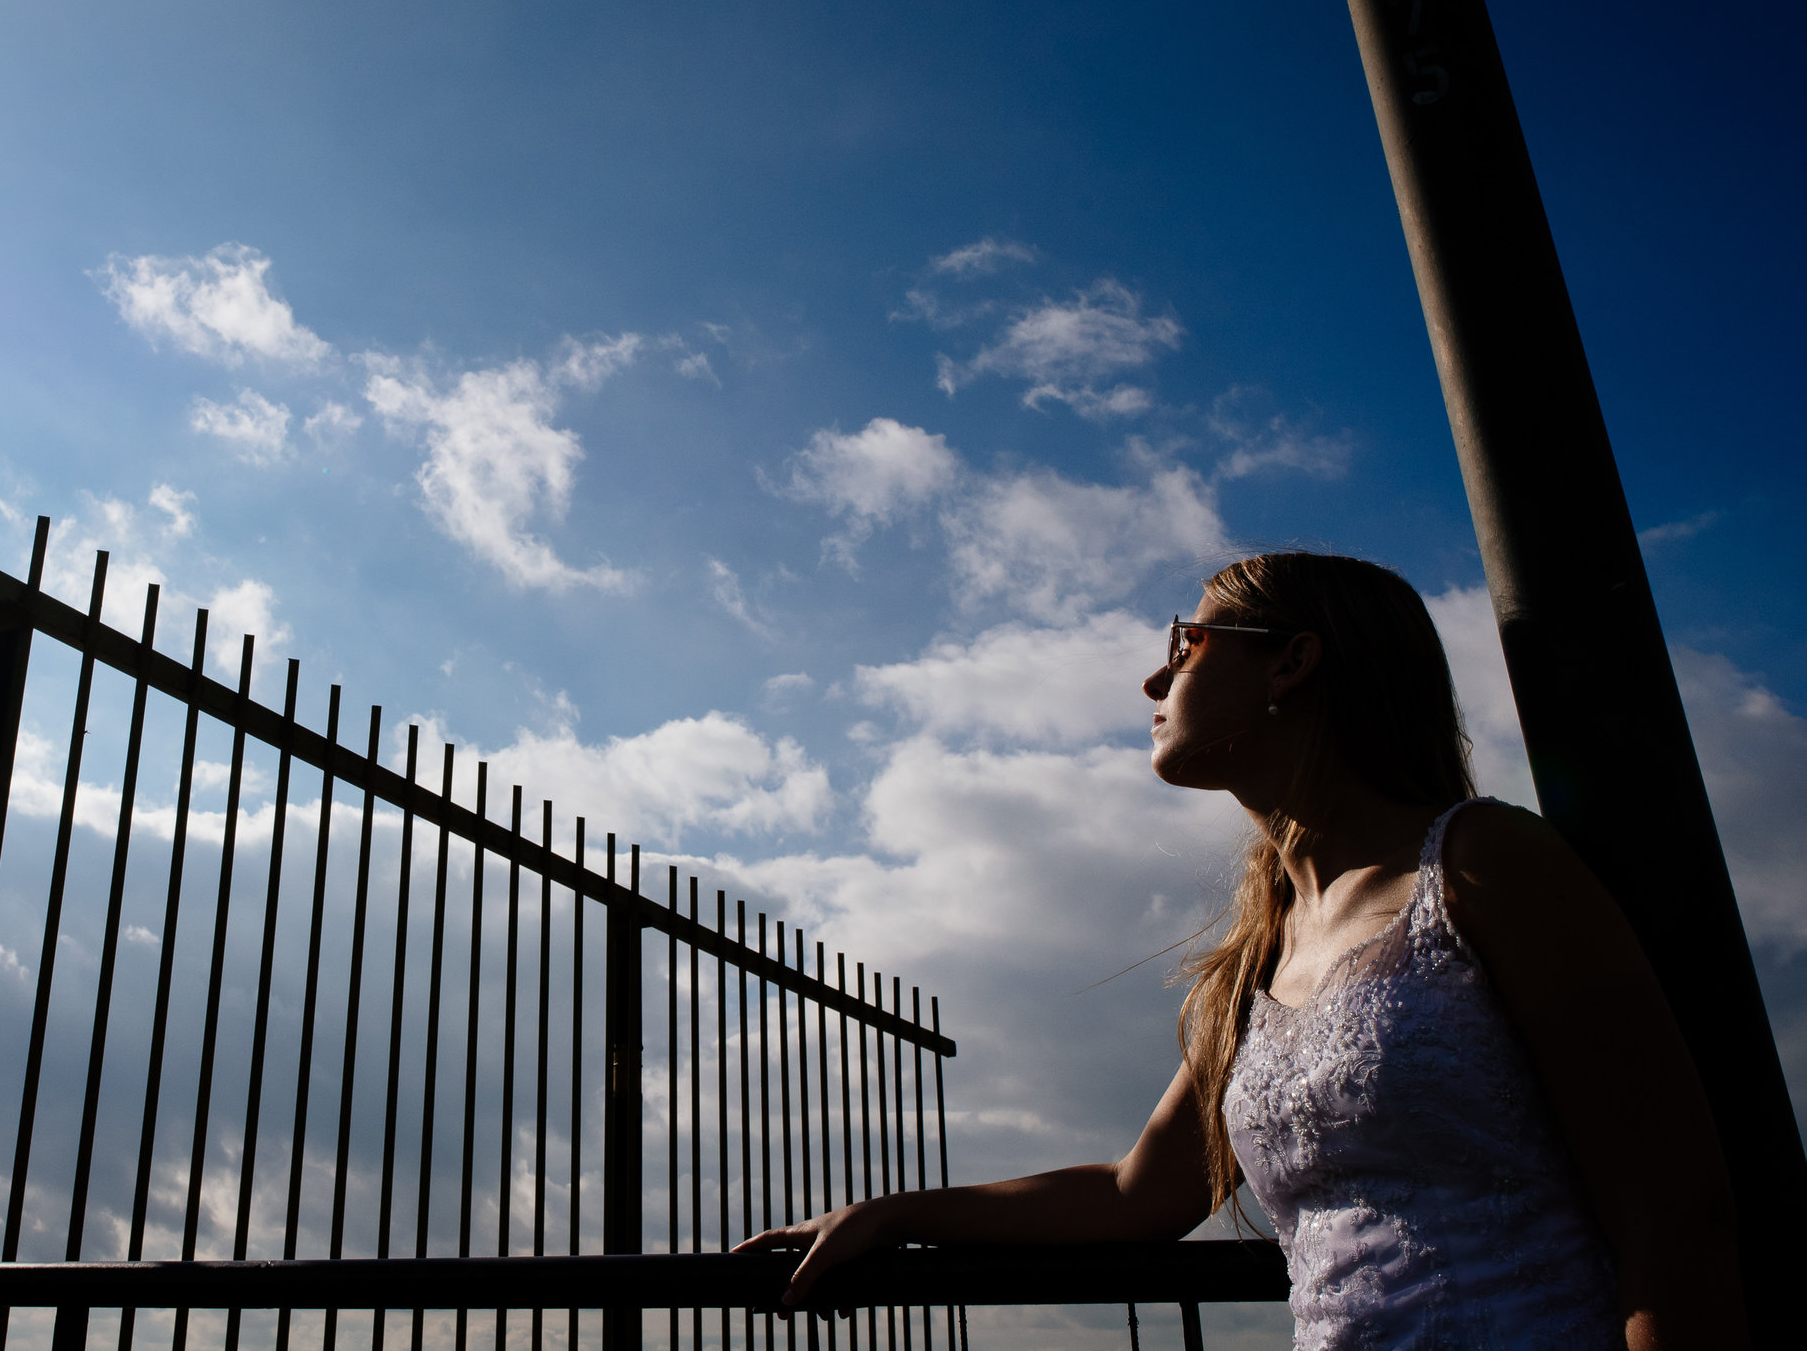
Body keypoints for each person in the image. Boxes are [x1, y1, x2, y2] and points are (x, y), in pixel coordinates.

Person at [735, 552, 1746, 1348]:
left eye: (1188, 639)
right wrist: (893, 1213)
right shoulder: (1255, 957)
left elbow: (1673, 1210)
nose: (1154, 673)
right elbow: (1144, 1191)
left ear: (1291, 661)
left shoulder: (1485, 863)